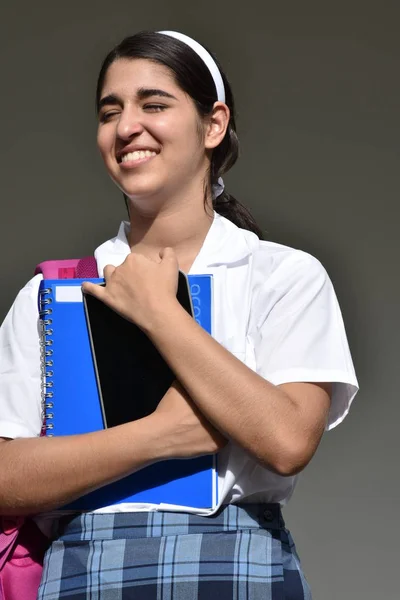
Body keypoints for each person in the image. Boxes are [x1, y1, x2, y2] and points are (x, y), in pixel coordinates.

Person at [0, 30, 358, 599]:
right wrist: (159, 437)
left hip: (238, 569)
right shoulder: (52, 293)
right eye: (109, 111)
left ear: (213, 124)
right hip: (82, 574)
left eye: (154, 104)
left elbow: (289, 440)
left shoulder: (282, 276)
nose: (125, 127)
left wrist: (157, 312)